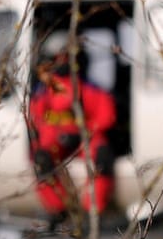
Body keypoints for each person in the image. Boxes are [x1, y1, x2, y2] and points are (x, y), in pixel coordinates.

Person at [27, 47, 116, 224]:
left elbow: (106, 116)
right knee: (42, 159)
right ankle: (60, 210)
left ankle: (93, 210)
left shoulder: (89, 89)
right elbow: (35, 118)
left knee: (102, 155)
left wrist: (83, 132)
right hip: (54, 141)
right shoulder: (44, 92)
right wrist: (60, 134)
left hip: (85, 139)